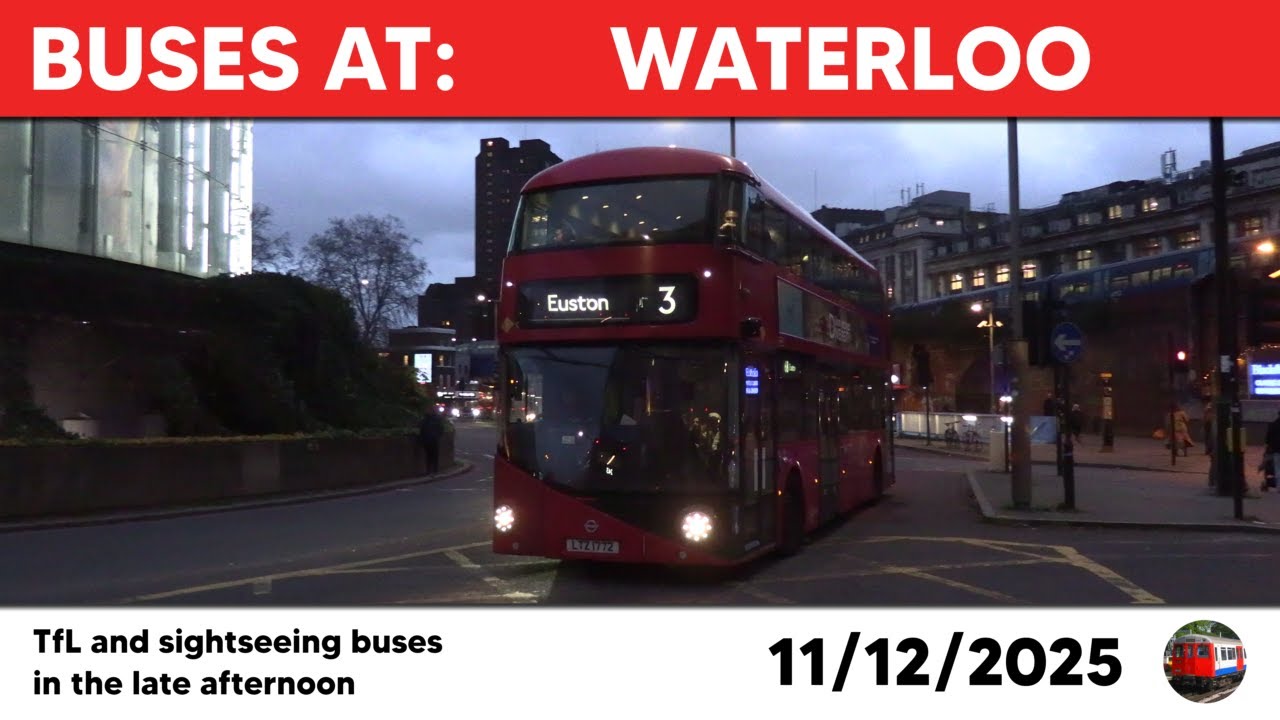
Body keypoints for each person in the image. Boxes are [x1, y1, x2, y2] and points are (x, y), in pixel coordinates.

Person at [419, 406, 446, 474]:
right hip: (430, 439)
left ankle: (432, 470)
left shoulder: (429, 419)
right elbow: (422, 429)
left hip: (431, 439)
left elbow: (440, 429)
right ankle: (432, 470)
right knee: (431, 455)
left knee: (432, 455)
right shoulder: (428, 419)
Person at [1263, 409, 1280, 491]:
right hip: (1276, 449)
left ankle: (1279, 487)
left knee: (1278, 468)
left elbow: (1267, 440)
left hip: (1276, 450)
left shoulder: (1273, 425)